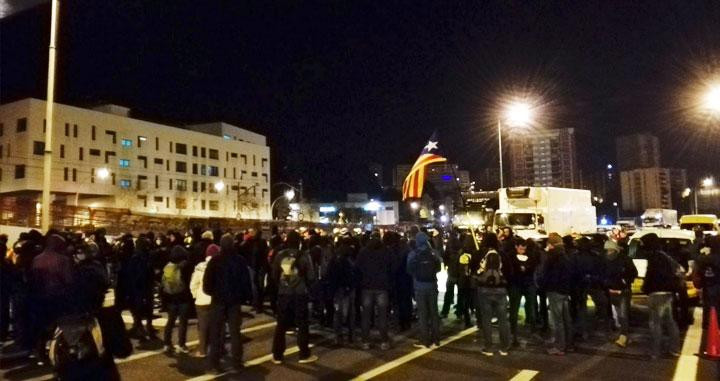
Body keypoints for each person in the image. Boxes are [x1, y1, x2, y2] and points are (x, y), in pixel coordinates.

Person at [203, 235, 252, 372]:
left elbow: (207, 283)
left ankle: (215, 363)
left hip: (218, 300)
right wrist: (245, 297)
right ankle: (237, 362)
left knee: (216, 333)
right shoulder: (240, 261)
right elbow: (246, 281)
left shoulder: (215, 260)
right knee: (235, 332)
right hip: (234, 301)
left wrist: (212, 293)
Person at [270, 231, 318, 364]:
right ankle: (303, 354)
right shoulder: (304, 256)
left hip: (283, 293)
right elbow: (311, 276)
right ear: (299, 242)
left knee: (281, 324)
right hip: (299, 293)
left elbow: (273, 275)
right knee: (302, 324)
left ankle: (277, 354)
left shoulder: (279, 255)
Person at [29, 233, 75, 362]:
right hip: (58, 297)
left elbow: (33, 280)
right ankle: (57, 353)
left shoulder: (37, 259)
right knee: (58, 326)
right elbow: (69, 280)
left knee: (41, 326)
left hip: (40, 298)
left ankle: (40, 352)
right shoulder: (63, 260)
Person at [641, 233, 680, 359]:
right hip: (668, 293)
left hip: (657, 294)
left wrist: (645, 288)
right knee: (670, 322)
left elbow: (651, 276)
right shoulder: (665, 256)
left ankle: (655, 352)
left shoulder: (654, 258)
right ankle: (674, 349)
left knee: (655, 323)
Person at [474, 232, 512, 356]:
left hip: (484, 289)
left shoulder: (480, 253)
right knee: (502, 319)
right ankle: (504, 347)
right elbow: (509, 271)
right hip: (500, 289)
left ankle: (488, 347)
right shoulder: (502, 254)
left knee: (486, 319)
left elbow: (472, 269)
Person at [537, 233, 573, 356]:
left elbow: (545, 274)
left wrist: (542, 285)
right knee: (565, 318)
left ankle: (559, 346)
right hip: (564, 290)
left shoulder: (552, 257)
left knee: (557, 320)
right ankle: (569, 343)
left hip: (554, 291)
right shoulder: (565, 256)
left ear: (551, 245)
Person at [357, 231, 393, 350]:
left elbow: (358, 268)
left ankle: (365, 341)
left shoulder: (364, 251)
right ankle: (384, 341)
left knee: (366, 315)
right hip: (382, 286)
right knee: (382, 315)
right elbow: (392, 266)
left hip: (367, 286)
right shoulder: (386, 251)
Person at [407, 232, 442, 348]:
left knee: (422, 314)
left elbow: (409, 269)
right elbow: (438, 268)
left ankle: (424, 339)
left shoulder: (414, 253)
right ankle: (436, 339)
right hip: (432, 285)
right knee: (434, 312)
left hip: (419, 285)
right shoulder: (433, 253)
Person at [602, 238, 637, 348]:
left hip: (623, 291)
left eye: (610, 250)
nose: (608, 252)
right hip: (612, 290)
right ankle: (623, 334)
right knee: (618, 314)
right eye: (607, 250)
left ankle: (623, 336)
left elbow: (633, 273)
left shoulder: (625, 260)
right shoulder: (605, 260)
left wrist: (625, 281)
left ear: (615, 250)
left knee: (623, 314)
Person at [327, 235, 361, 345]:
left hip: (338, 288)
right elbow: (355, 272)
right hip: (348, 288)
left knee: (339, 313)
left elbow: (330, 273)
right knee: (350, 312)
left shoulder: (335, 256)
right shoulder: (350, 256)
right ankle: (351, 336)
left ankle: (339, 336)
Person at [507, 237, 539, 345]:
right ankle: (513, 332)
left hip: (527, 284)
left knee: (531, 308)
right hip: (516, 284)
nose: (522, 251)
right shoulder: (511, 256)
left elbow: (534, 267)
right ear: (516, 247)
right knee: (514, 309)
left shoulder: (530, 256)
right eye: (520, 249)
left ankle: (533, 329)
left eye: (524, 249)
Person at [190, 243, 220, 358]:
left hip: (201, 300)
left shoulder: (200, 267)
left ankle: (202, 350)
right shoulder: (219, 266)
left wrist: (195, 295)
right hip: (215, 300)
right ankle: (217, 350)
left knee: (203, 327)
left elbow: (193, 284)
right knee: (216, 326)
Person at [161, 245, 193, 354]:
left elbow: (162, 284)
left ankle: (167, 344)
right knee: (183, 322)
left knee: (170, 321)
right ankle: (181, 344)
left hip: (171, 297)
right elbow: (189, 282)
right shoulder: (185, 266)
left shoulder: (168, 267)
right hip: (183, 297)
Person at [125, 236, 156, 341]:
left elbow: (131, 274)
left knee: (137, 308)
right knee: (148, 308)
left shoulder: (135, 257)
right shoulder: (148, 256)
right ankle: (148, 326)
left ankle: (139, 327)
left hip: (138, 287)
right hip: (147, 286)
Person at [694, 236, 720, 330]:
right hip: (714, 284)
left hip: (709, 286)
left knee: (709, 307)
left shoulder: (704, 259)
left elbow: (697, 269)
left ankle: (708, 325)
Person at [456, 234, 477, 328]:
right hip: (470, 281)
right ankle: (470, 318)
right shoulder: (474, 253)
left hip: (461, 280)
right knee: (470, 299)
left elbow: (456, 266)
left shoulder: (460, 252)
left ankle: (461, 314)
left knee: (462, 299)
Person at [441, 231, 462, 318]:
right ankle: (459, 312)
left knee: (449, 292)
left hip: (451, 272)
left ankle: (445, 311)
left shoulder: (449, 245)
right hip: (459, 273)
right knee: (460, 293)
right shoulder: (460, 246)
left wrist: (446, 265)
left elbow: (445, 256)